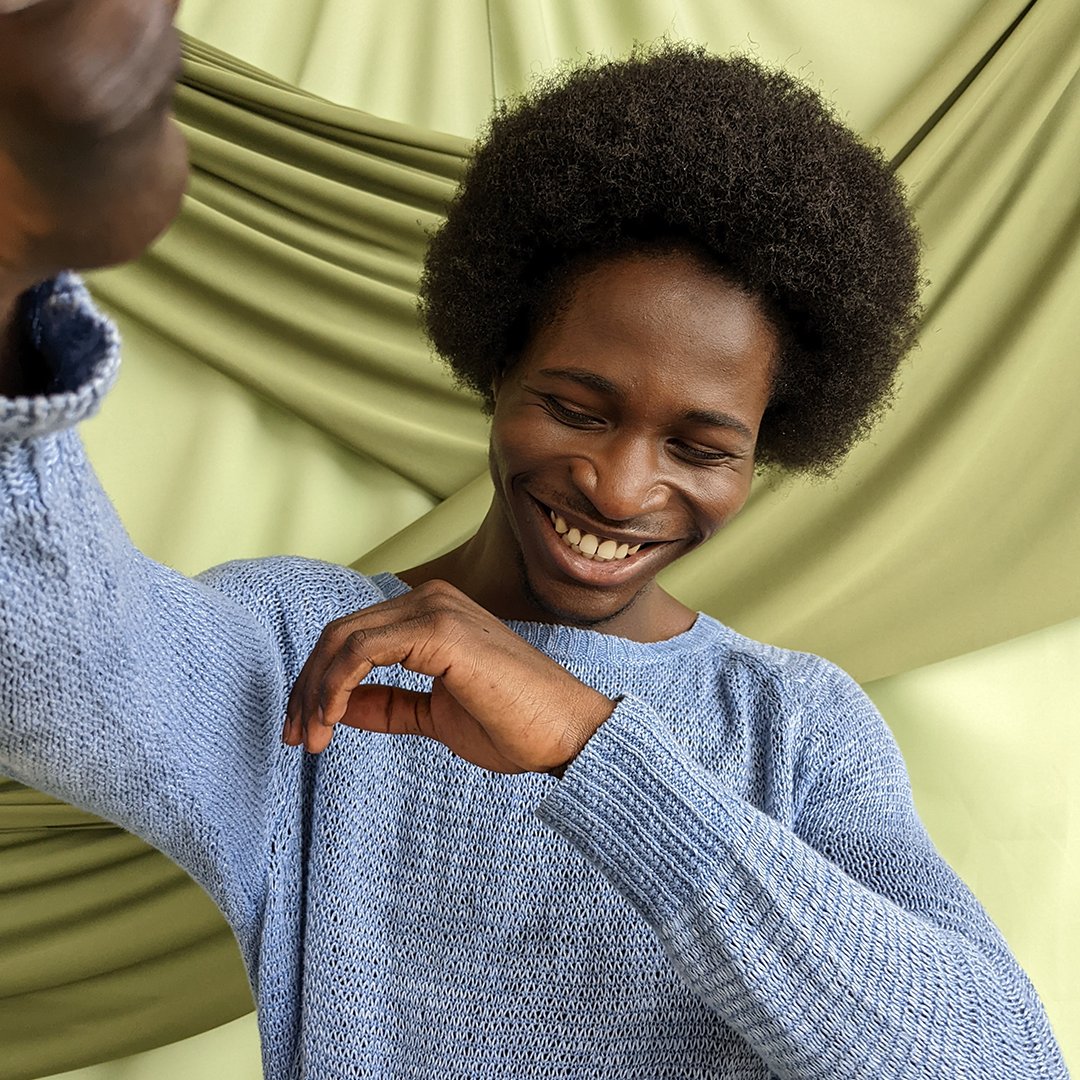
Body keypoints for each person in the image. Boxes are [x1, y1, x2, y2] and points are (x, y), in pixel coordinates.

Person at [0, 3, 1068, 1079]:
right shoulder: (316, 648)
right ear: (495, 360)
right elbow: (48, 658)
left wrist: (591, 744)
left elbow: (997, 1060)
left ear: (767, 449)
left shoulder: (797, 728)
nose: (619, 484)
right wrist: (12, 270)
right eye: (577, 407)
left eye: (700, 447)